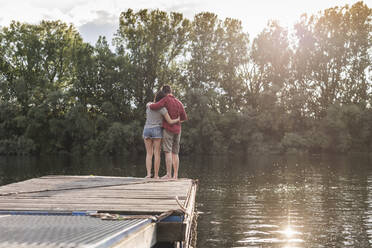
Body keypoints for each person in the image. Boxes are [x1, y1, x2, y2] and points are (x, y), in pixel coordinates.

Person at [150, 85, 187, 179]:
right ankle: (175, 175)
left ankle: (169, 174)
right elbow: (184, 117)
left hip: (168, 129)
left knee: (168, 152)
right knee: (175, 153)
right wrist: (177, 121)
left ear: (163, 92)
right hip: (178, 130)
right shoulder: (179, 102)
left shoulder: (166, 99)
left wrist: (149, 104)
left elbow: (154, 106)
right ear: (171, 91)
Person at [143, 91, 180, 179]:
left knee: (149, 153)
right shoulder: (162, 109)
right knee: (157, 154)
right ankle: (156, 175)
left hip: (147, 129)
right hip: (156, 130)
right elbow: (170, 121)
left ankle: (148, 174)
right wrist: (177, 119)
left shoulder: (148, 105)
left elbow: (149, 107)